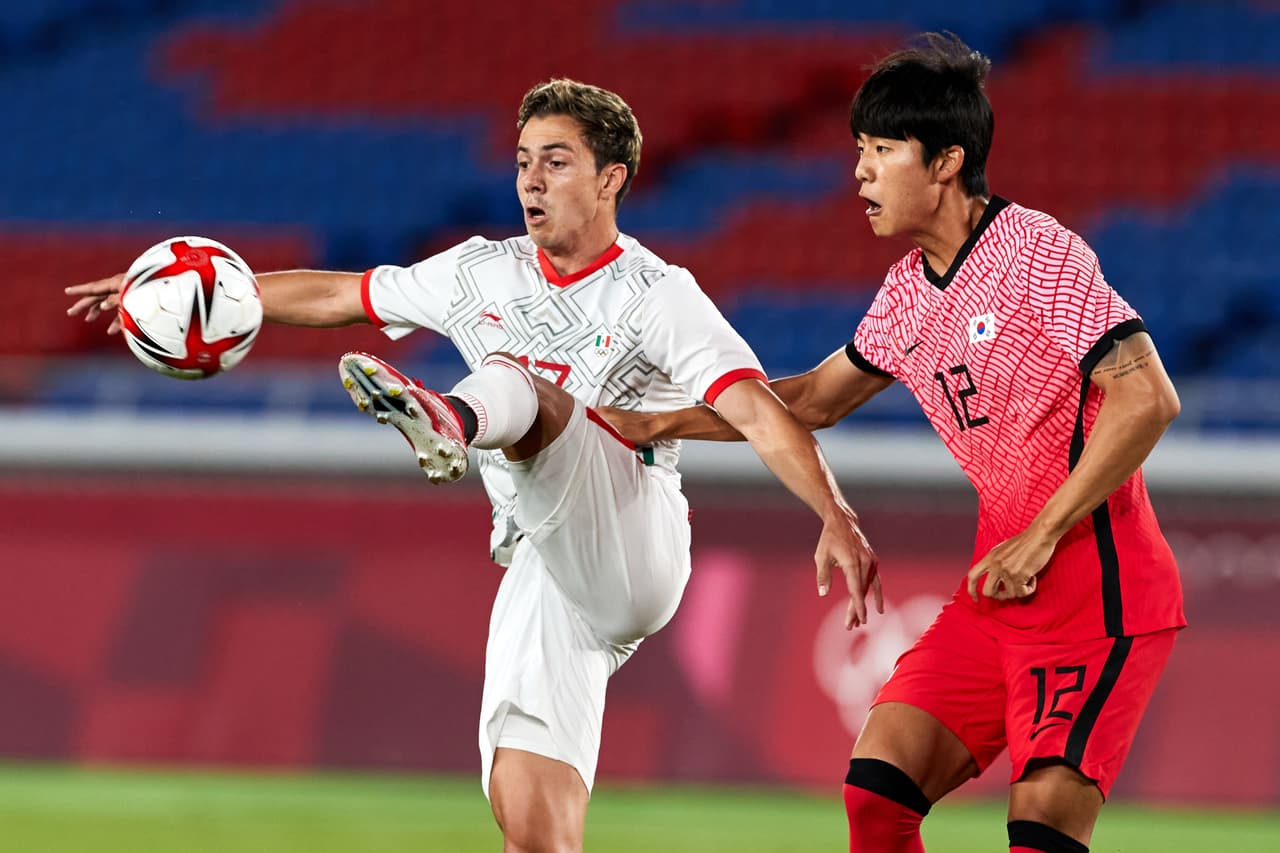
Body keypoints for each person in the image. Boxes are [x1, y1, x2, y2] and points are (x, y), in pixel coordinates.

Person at [65, 78, 881, 852]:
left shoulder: (657, 294)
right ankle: (454, 418)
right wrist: (203, 290)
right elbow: (342, 296)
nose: (531, 180)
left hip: (633, 534)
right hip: (541, 561)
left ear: (611, 180)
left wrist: (833, 512)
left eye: (556, 161)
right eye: (523, 161)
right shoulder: (480, 271)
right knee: (529, 821)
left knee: (520, 385)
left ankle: (449, 419)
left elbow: (760, 410)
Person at [596, 34, 1185, 853]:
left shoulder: (1036, 252)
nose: (860, 173)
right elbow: (812, 399)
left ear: (945, 162)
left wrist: (1043, 534)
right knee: (876, 791)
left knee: (1041, 825)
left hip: (1100, 594)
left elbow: (1147, 396)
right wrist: (664, 418)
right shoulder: (907, 292)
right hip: (999, 592)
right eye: (858, 151)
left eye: (880, 150)